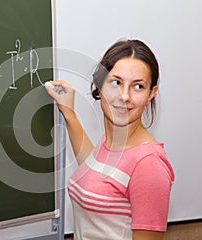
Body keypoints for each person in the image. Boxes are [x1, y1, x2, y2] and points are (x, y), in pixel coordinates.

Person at [45, 39, 175, 240]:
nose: (124, 96)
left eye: (138, 86)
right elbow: (94, 172)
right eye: (116, 82)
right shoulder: (110, 142)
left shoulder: (148, 165)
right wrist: (69, 112)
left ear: (151, 94)